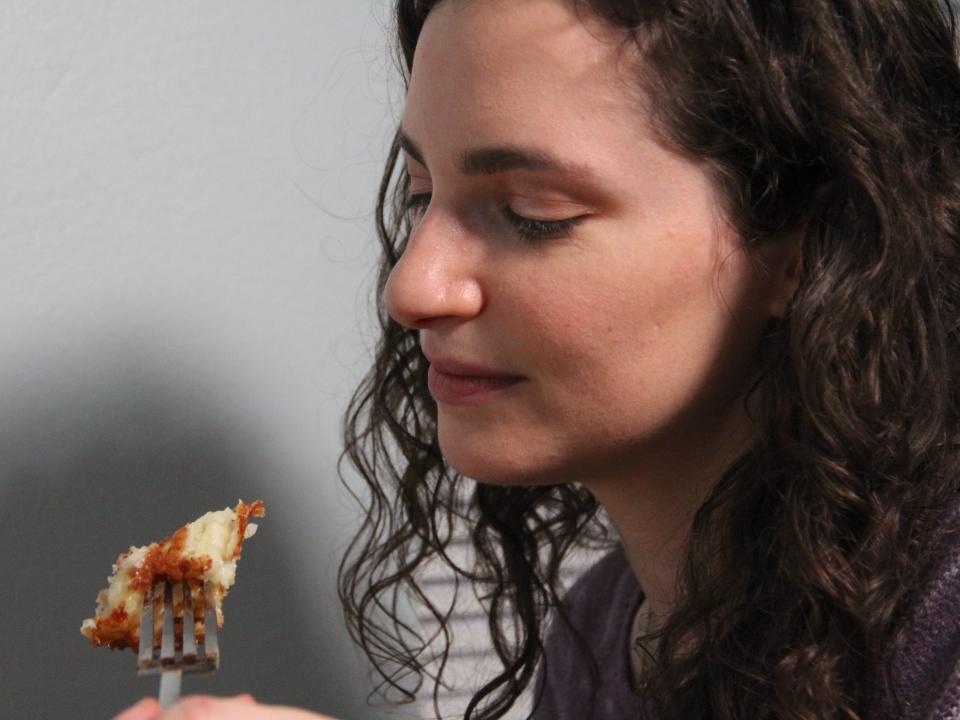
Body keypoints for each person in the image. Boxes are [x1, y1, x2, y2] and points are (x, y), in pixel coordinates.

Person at [115, 0, 960, 718]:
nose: (413, 287)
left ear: (808, 246)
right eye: (420, 196)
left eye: (532, 212)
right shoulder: (600, 640)